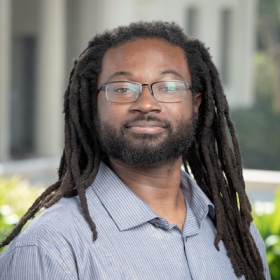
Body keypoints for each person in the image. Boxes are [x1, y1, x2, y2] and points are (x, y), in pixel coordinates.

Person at [0, 21, 270, 280]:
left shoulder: (238, 234)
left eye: (168, 86)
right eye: (122, 88)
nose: (146, 104)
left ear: (196, 103)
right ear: (94, 106)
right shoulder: (49, 248)